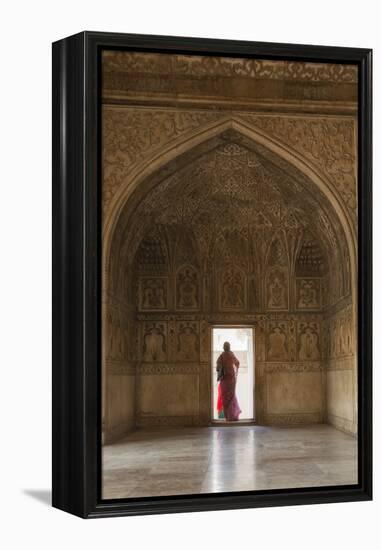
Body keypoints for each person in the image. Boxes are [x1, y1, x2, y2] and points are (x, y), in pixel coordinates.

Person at [216, 341, 241, 421]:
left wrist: (222, 368)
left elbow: (217, 366)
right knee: (231, 396)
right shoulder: (231, 354)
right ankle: (232, 416)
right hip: (230, 378)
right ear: (229, 347)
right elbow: (237, 363)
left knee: (225, 397)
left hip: (224, 379)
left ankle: (228, 416)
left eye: (225, 346)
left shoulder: (222, 356)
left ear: (224, 347)